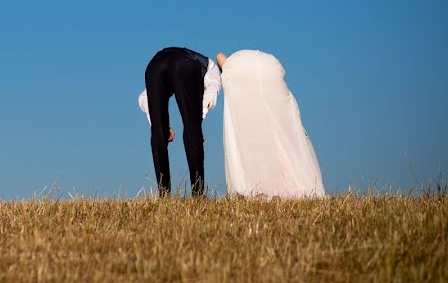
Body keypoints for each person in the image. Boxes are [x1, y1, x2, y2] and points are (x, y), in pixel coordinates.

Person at [217, 49, 325, 197]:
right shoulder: (252, 62)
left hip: (241, 69)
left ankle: (256, 186)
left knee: (246, 134)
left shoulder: (231, 65)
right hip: (271, 66)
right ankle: (290, 183)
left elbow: (219, 56)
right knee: (281, 132)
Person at [137, 47, 222, 196]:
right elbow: (211, 93)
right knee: (191, 128)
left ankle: (164, 194)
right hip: (184, 64)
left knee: (158, 133)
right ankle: (198, 194)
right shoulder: (212, 69)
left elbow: (144, 99)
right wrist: (197, 123)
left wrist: (160, 126)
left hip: (155, 65)